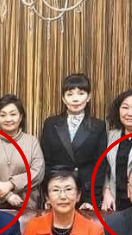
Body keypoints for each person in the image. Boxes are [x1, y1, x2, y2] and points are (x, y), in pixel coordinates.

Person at [39, 73, 107, 210]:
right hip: (58, 192)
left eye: (81, 93)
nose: (75, 99)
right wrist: (48, 196)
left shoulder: (98, 126)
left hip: (86, 193)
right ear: (63, 99)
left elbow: (100, 165)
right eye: (70, 94)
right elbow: (45, 163)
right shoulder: (51, 124)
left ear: (88, 97)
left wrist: (92, 199)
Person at [0, 94, 45, 208]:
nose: (8, 119)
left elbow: (38, 172)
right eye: (3, 115)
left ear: (21, 116)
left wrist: (11, 184)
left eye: (13, 114)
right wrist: (7, 195)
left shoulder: (31, 141)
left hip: (26, 205)